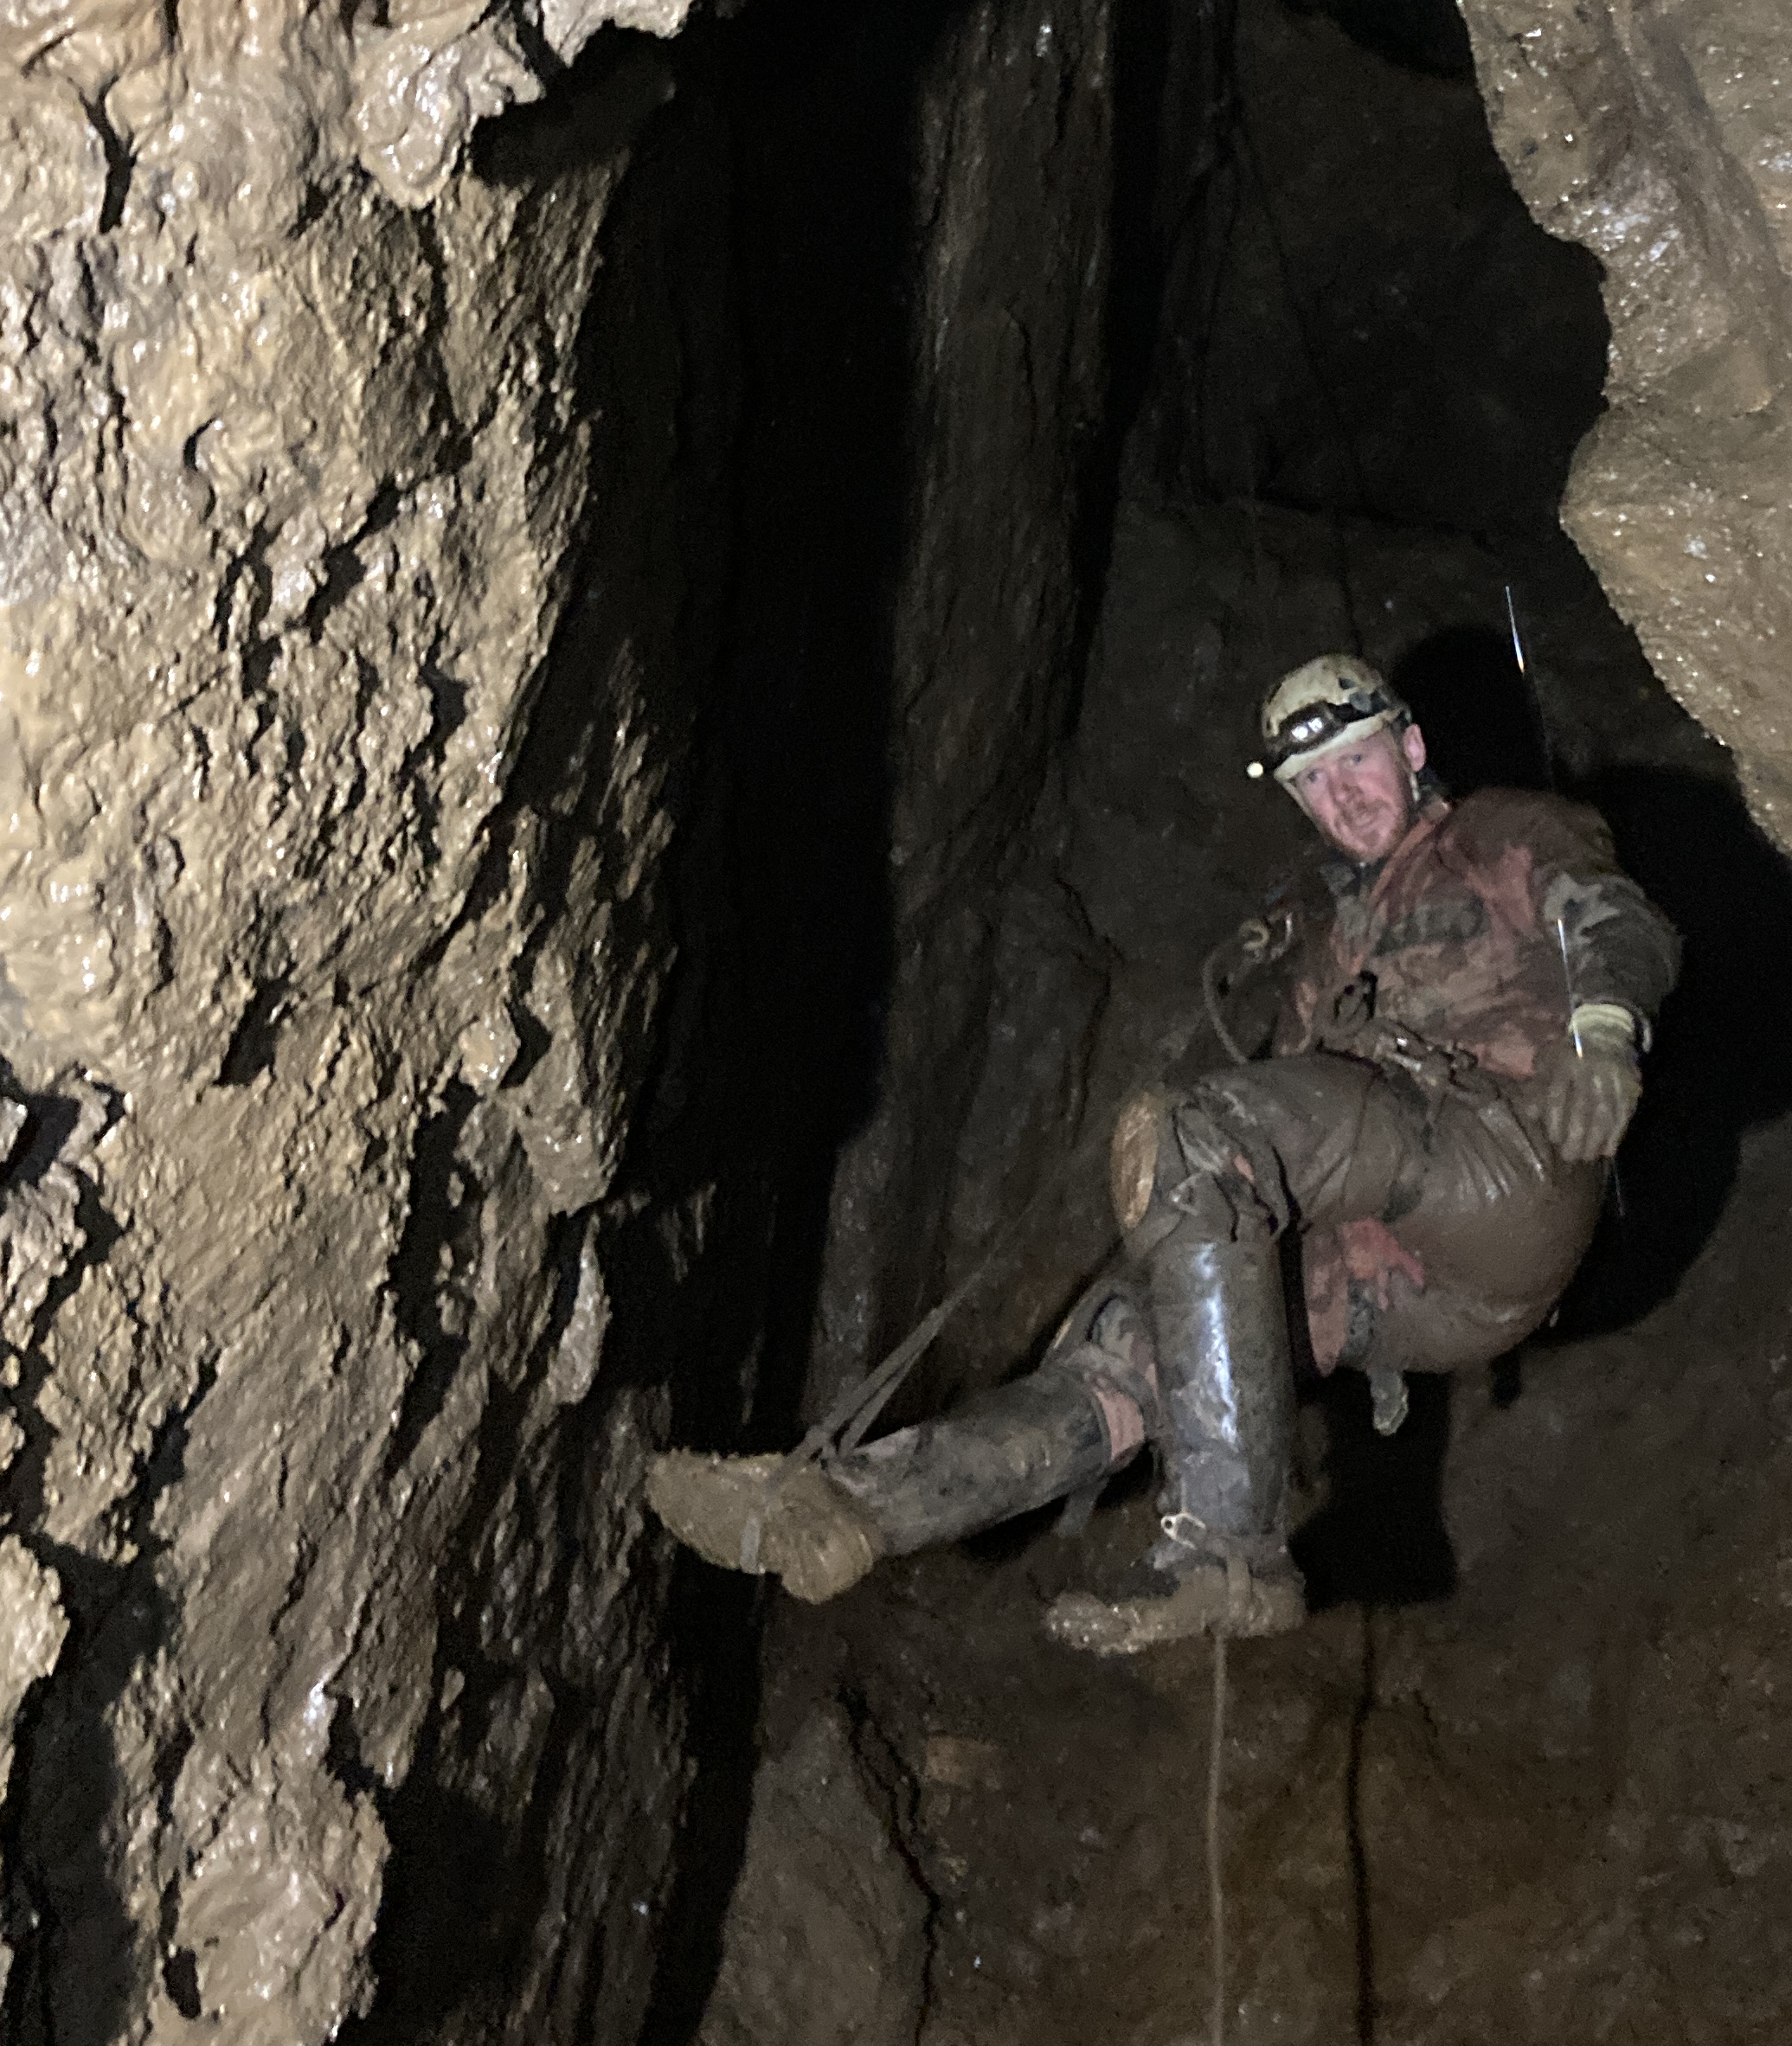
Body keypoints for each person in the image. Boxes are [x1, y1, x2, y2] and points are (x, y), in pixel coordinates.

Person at [647, 651, 1680, 1657]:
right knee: (1137, 1340)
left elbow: (1614, 912)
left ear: (1409, 749)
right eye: (1313, 784)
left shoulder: (1496, 834)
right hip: (1405, 1288)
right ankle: (853, 1504)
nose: (1342, 796)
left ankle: (1228, 1549)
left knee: (1197, 1129)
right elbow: (1283, 1155)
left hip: (1505, 1173)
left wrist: (1605, 1032)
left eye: (1356, 761)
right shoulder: (1327, 943)